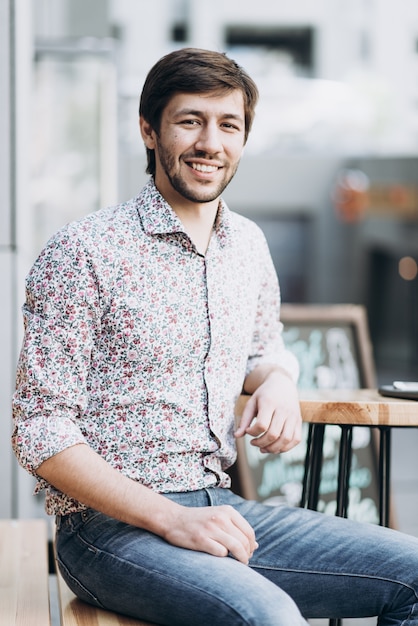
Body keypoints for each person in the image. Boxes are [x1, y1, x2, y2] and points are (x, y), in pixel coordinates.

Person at [12, 47, 418, 626]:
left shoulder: (248, 246)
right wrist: (171, 519)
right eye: (190, 121)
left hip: (221, 508)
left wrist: (277, 379)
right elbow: (39, 430)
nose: (210, 142)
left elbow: (263, 346)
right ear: (149, 130)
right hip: (107, 533)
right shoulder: (83, 252)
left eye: (228, 124)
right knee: (270, 617)